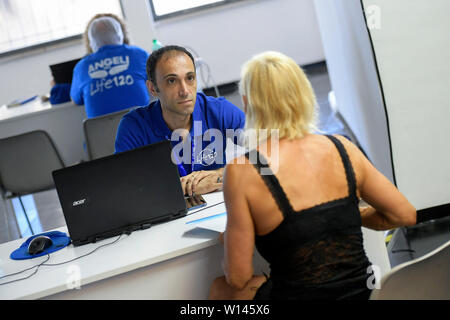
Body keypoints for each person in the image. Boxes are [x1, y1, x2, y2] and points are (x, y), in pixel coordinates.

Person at [209, 51, 416, 300]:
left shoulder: (242, 170)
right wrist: (342, 215)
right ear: (303, 94)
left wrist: (238, 237)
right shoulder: (343, 148)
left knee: (222, 290)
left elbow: (238, 277)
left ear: (246, 103)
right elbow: (405, 214)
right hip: (364, 294)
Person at [115, 45, 245, 197]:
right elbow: (124, 190)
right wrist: (184, 188)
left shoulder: (218, 110)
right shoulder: (133, 126)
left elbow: (269, 155)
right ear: (152, 89)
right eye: (171, 81)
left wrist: (218, 175)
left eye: (190, 78)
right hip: (167, 211)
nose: (184, 91)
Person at [70, 14, 150, 118]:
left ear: (91, 42)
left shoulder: (81, 67)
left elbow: (75, 100)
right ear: (120, 35)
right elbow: (158, 79)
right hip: (143, 129)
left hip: (104, 133)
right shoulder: (138, 54)